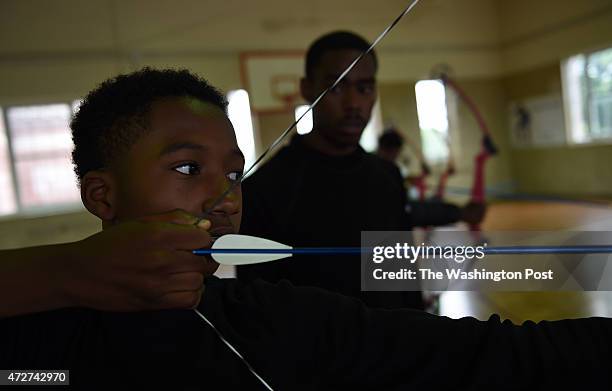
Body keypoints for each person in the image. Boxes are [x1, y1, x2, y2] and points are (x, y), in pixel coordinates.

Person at [1, 68, 612, 389]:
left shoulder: (285, 323)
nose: (223, 197)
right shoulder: (37, 349)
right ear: (101, 196)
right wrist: (66, 270)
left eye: (234, 175)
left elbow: (500, 356)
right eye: (188, 169)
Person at [376, 128, 486, 228]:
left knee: (433, 206)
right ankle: (464, 213)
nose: (396, 156)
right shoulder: (381, 168)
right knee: (428, 209)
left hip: (400, 215)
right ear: (390, 150)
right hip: (391, 221)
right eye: (396, 153)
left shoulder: (384, 166)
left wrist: (413, 179)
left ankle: (463, 213)